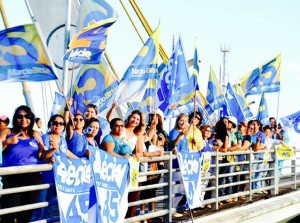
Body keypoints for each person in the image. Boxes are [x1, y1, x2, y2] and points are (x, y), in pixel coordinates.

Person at [0, 105, 47, 223]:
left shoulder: (35, 134)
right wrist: (7, 142)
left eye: (27, 116)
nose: (23, 119)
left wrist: (50, 153)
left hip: (33, 177)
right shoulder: (8, 131)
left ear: (31, 118)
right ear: (15, 118)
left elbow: (42, 154)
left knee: (26, 214)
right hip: (12, 177)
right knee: (8, 215)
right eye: (20, 116)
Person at [31, 114, 77, 221]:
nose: (58, 125)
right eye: (55, 123)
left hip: (57, 179)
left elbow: (66, 152)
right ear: (50, 125)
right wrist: (53, 149)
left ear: (63, 126)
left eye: (61, 123)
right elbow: (45, 155)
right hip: (44, 178)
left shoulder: (62, 139)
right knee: (39, 208)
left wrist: (83, 161)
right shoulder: (46, 138)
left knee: (50, 208)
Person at [139, 109, 167, 217]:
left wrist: (164, 151)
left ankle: (151, 212)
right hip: (147, 162)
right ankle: (142, 212)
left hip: (158, 163)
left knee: (153, 188)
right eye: (152, 116)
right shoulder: (145, 130)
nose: (154, 118)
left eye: (157, 117)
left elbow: (167, 145)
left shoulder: (163, 133)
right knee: (144, 188)